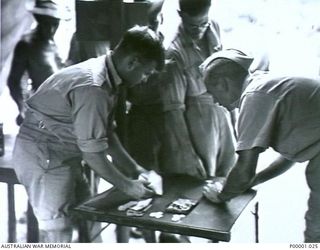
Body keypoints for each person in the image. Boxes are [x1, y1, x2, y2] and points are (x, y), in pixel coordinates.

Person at [12, 25, 165, 243]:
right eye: (147, 73)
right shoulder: (94, 86)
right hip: (43, 155)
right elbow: (93, 154)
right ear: (132, 62)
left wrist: (137, 170)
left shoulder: (109, 77)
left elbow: (107, 136)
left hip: (64, 152)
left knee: (89, 214)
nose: (146, 79)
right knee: (59, 230)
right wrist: (128, 186)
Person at [201, 48, 320, 242]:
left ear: (223, 84)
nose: (215, 101)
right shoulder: (262, 85)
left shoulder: (254, 96)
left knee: (316, 234)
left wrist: (221, 195)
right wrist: (256, 180)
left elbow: (244, 168)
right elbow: (290, 156)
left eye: (212, 93)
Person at [127, 0, 236, 180]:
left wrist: (233, 118)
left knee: (229, 172)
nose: (199, 30)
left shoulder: (214, 28)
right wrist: (187, 153)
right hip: (199, 122)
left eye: (203, 23)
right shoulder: (174, 53)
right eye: (193, 26)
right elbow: (174, 110)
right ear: (181, 15)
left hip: (221, 113)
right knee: (204, 177)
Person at [7, 0, 70, 126]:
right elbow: (14, 80)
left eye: (55, 24)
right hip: (41, 110)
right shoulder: (26, 44)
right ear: (39, 20)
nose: (51, 29)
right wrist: (22, 108)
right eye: (47, 24)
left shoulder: (54, 44)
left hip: (63, 108)